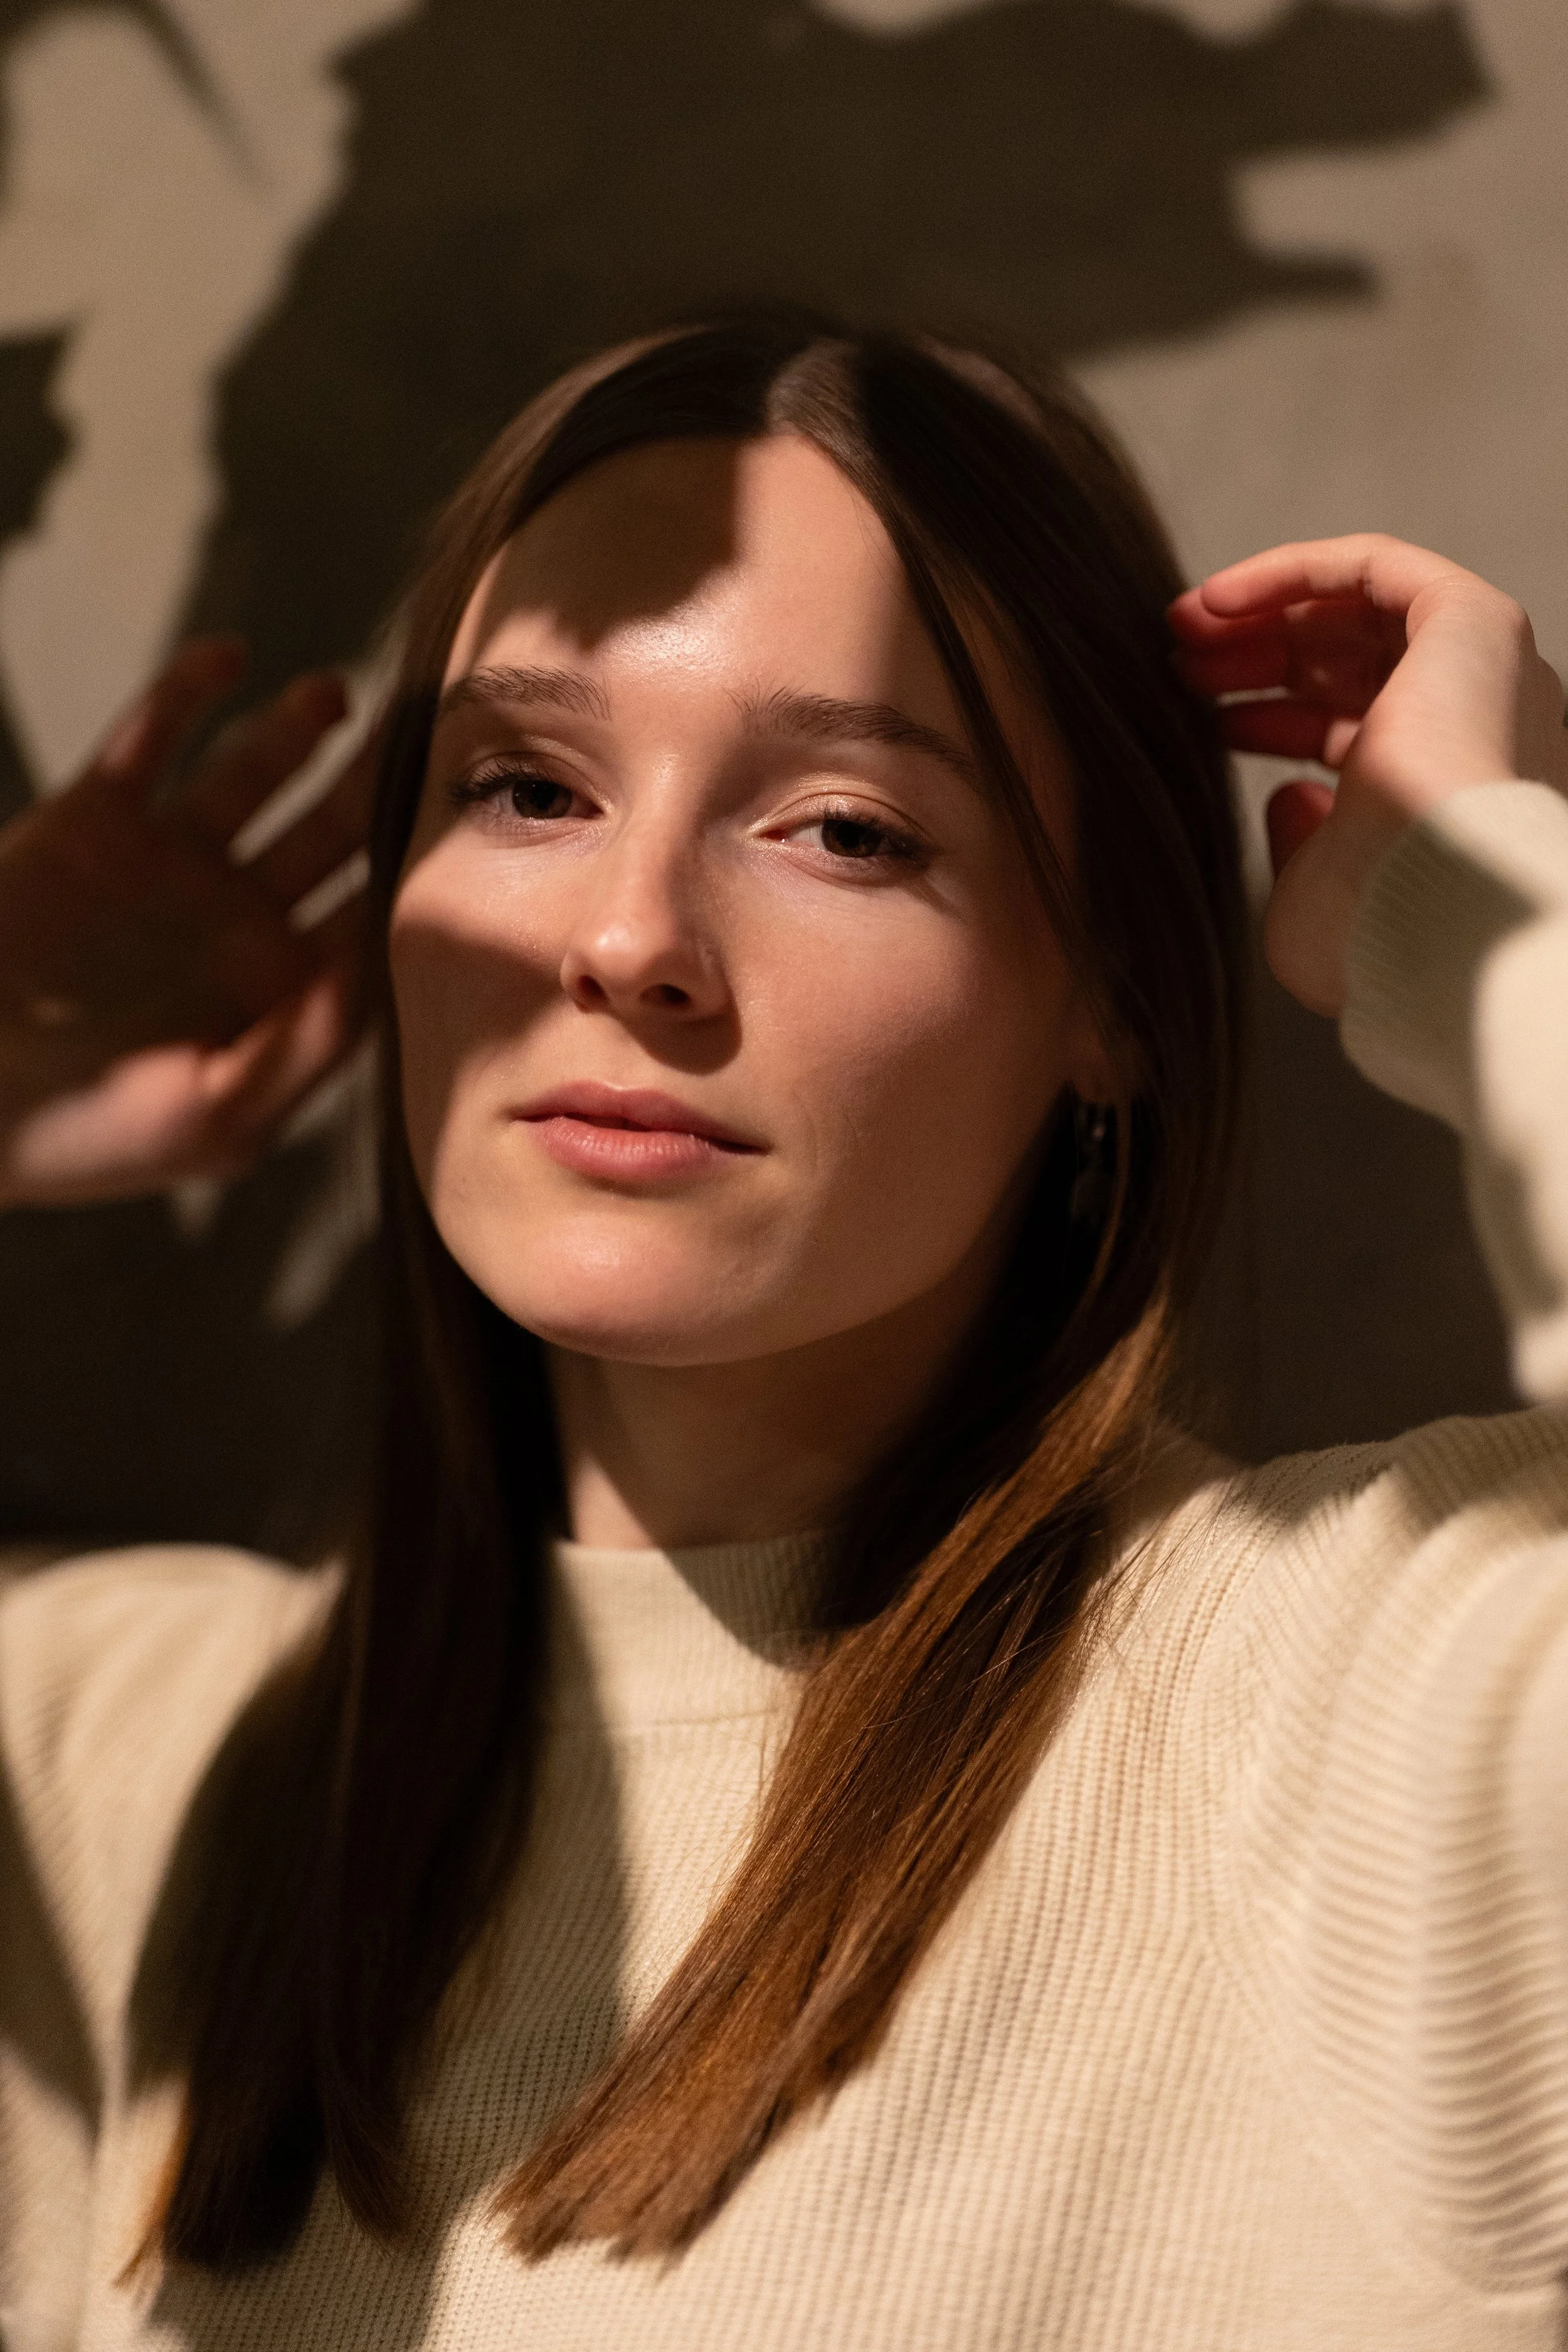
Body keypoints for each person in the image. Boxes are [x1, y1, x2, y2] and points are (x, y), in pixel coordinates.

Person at [1, 316, 1566, 2351]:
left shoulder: (1388, 1734)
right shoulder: (114, 1752)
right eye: (526, 785)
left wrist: (1478, 895)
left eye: (843, 826)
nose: (628, 936)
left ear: (1106, 997)